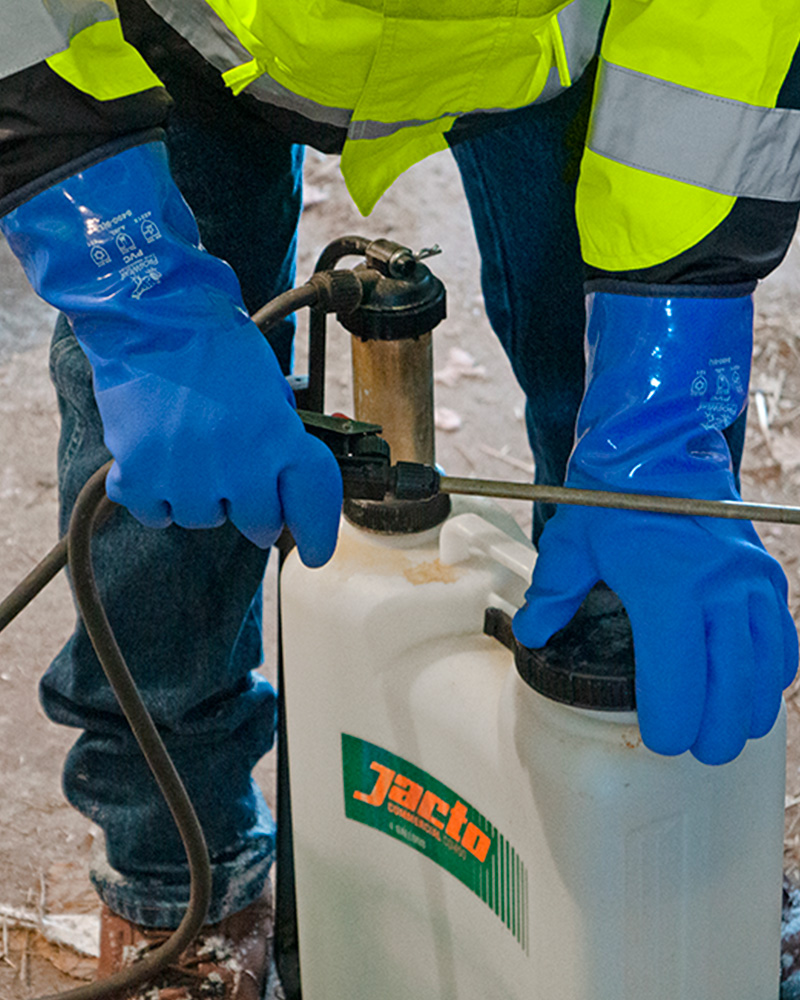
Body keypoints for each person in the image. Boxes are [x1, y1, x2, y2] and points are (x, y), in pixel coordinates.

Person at [0, 1, 798, 997]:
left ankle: (658, 864)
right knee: (171, 478)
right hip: (189, 32)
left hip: (548, 40)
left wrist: (663, 412)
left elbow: (731, 28)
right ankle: (176, 884)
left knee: (642, 506)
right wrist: (135, 291)